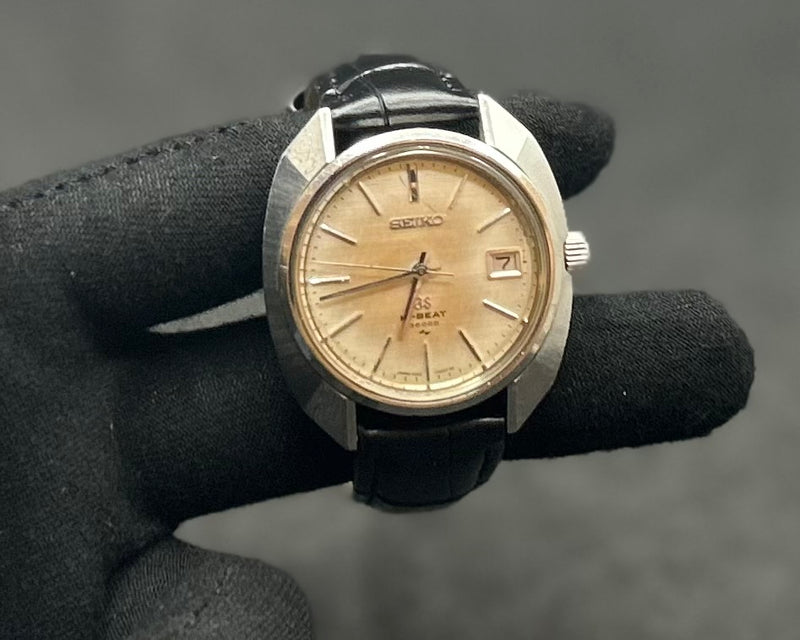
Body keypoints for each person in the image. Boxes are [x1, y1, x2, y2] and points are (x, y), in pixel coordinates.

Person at [0, 92, 753, 639]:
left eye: (424, 264)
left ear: (561, 253)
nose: (421, 270)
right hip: (377, 373)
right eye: (412, 268)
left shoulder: (494, 169)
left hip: (485, 375)